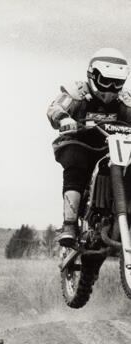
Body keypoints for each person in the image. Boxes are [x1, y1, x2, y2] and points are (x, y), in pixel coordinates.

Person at [47, 47, 131, 247]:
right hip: (79, 142)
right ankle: (69, 224)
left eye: (117, 83)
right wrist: (64, 118)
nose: (110, 88)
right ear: (92, 75)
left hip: (112, 148)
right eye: (105, 81)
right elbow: (55, 107)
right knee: (76, 161)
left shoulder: (125, 100)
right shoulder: (76, 92)